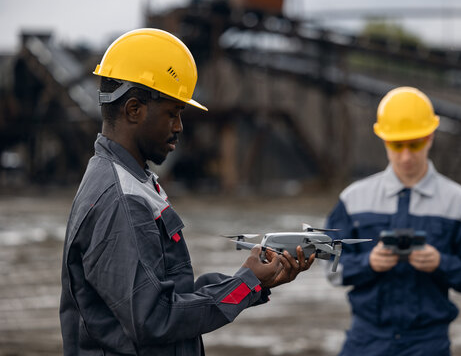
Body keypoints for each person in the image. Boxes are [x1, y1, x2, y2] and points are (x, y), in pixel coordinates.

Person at [59, 28, 314, 355]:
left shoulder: (130, 180)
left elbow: (169, 295)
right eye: (172, 113)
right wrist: (245, 284)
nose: (179, 126)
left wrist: (251, 282)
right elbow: (153, 318)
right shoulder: (121, 198)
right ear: (134, 110)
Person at [325, 86, 461, 356]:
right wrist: (369, 263)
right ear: (383, 140)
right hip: (366, 339)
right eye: (396, 144)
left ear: (431, 137)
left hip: (429, 342)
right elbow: (330, 269)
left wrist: (441, 263)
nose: (406, 155)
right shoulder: (353, 199)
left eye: (414, 144)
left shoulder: (459, 203)